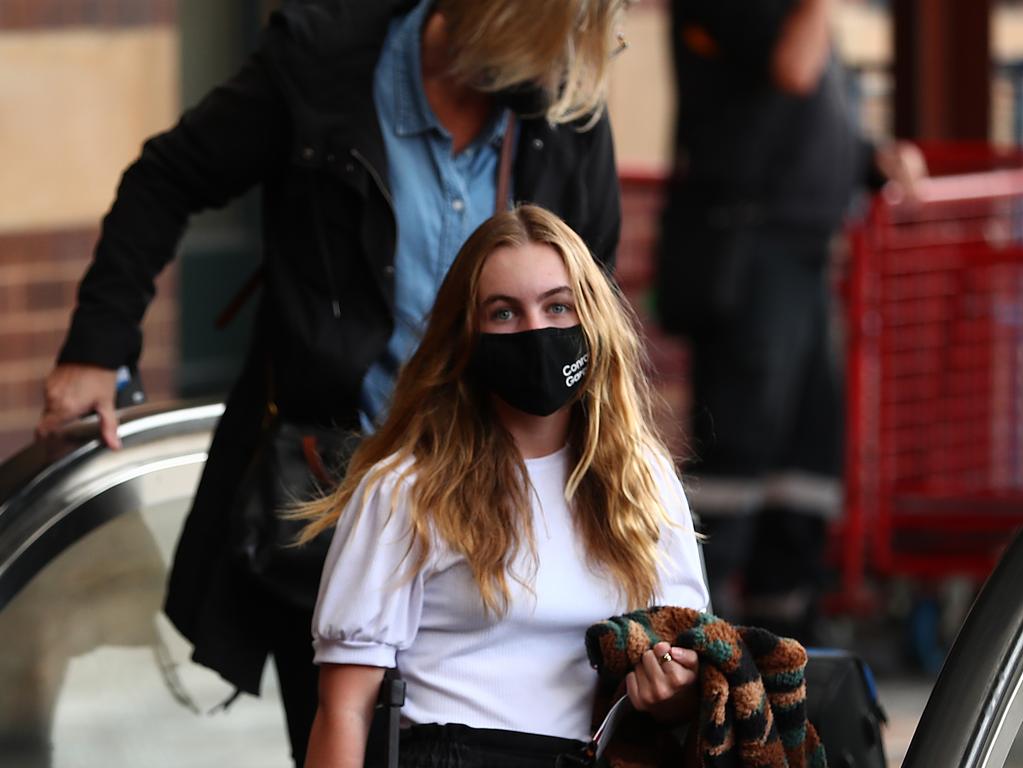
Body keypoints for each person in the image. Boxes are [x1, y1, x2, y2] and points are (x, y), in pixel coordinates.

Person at [34, 1, 626, 763]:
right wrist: (97, 347)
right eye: (550, 42)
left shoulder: (564, 104)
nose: (566, 67)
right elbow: (166, 177)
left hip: (512, 524)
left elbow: (593, 300)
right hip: (328, 504)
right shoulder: (324, 65)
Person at [300, 205, 709, 768]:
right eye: (504, 313)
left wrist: (670, 692)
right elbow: (344, 711)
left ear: (593, 319)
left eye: (558, 306)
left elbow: (686, 681)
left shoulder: (644, 482)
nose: (536, 330)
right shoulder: (405, 489)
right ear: (466, 335)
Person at [655, 0, 926, 641]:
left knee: (807, 459)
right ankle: (700, 630)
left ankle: (789, 640)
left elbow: (796, 115)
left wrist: (869, 156)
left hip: (803, 255)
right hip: (749, 252)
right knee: (740, 452)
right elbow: (794, 68)